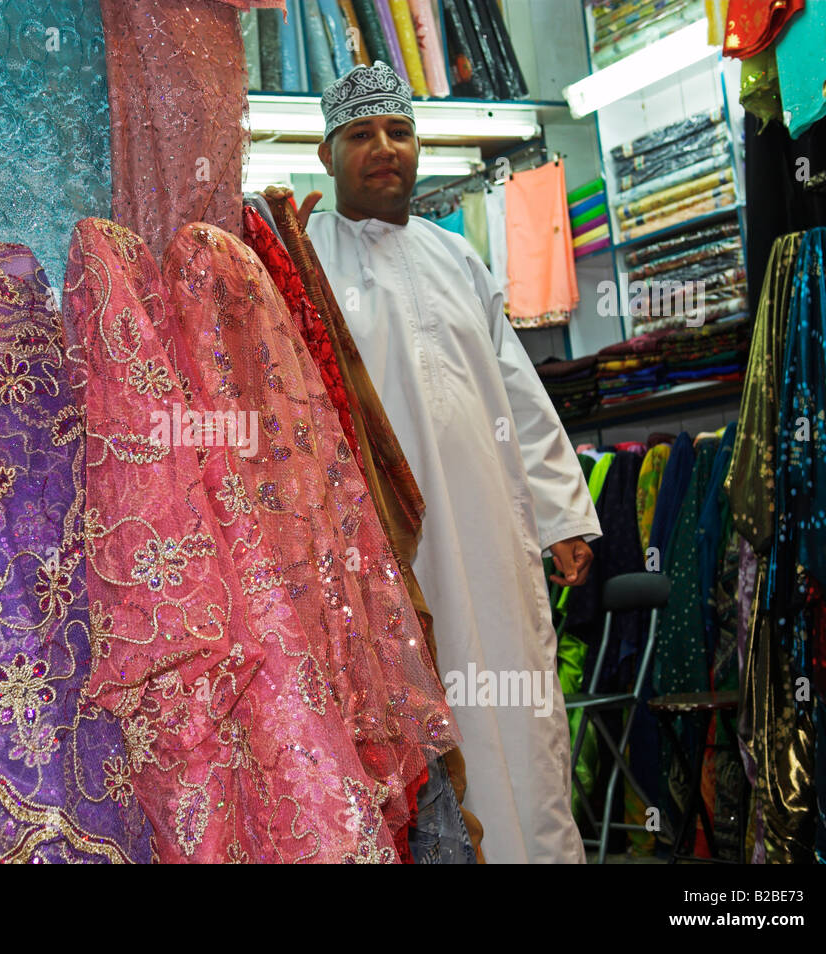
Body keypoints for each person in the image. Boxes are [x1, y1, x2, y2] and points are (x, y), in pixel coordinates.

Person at [301, 61, 601, 864]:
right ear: (327, 151)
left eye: (398, 131)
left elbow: (520, 390)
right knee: (424, 724)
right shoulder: (305, 260)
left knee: (521, 715)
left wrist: (562, 515)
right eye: (361, 134)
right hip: (391, 548)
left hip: (493, 537)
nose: (384, 148)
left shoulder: (458, 257)